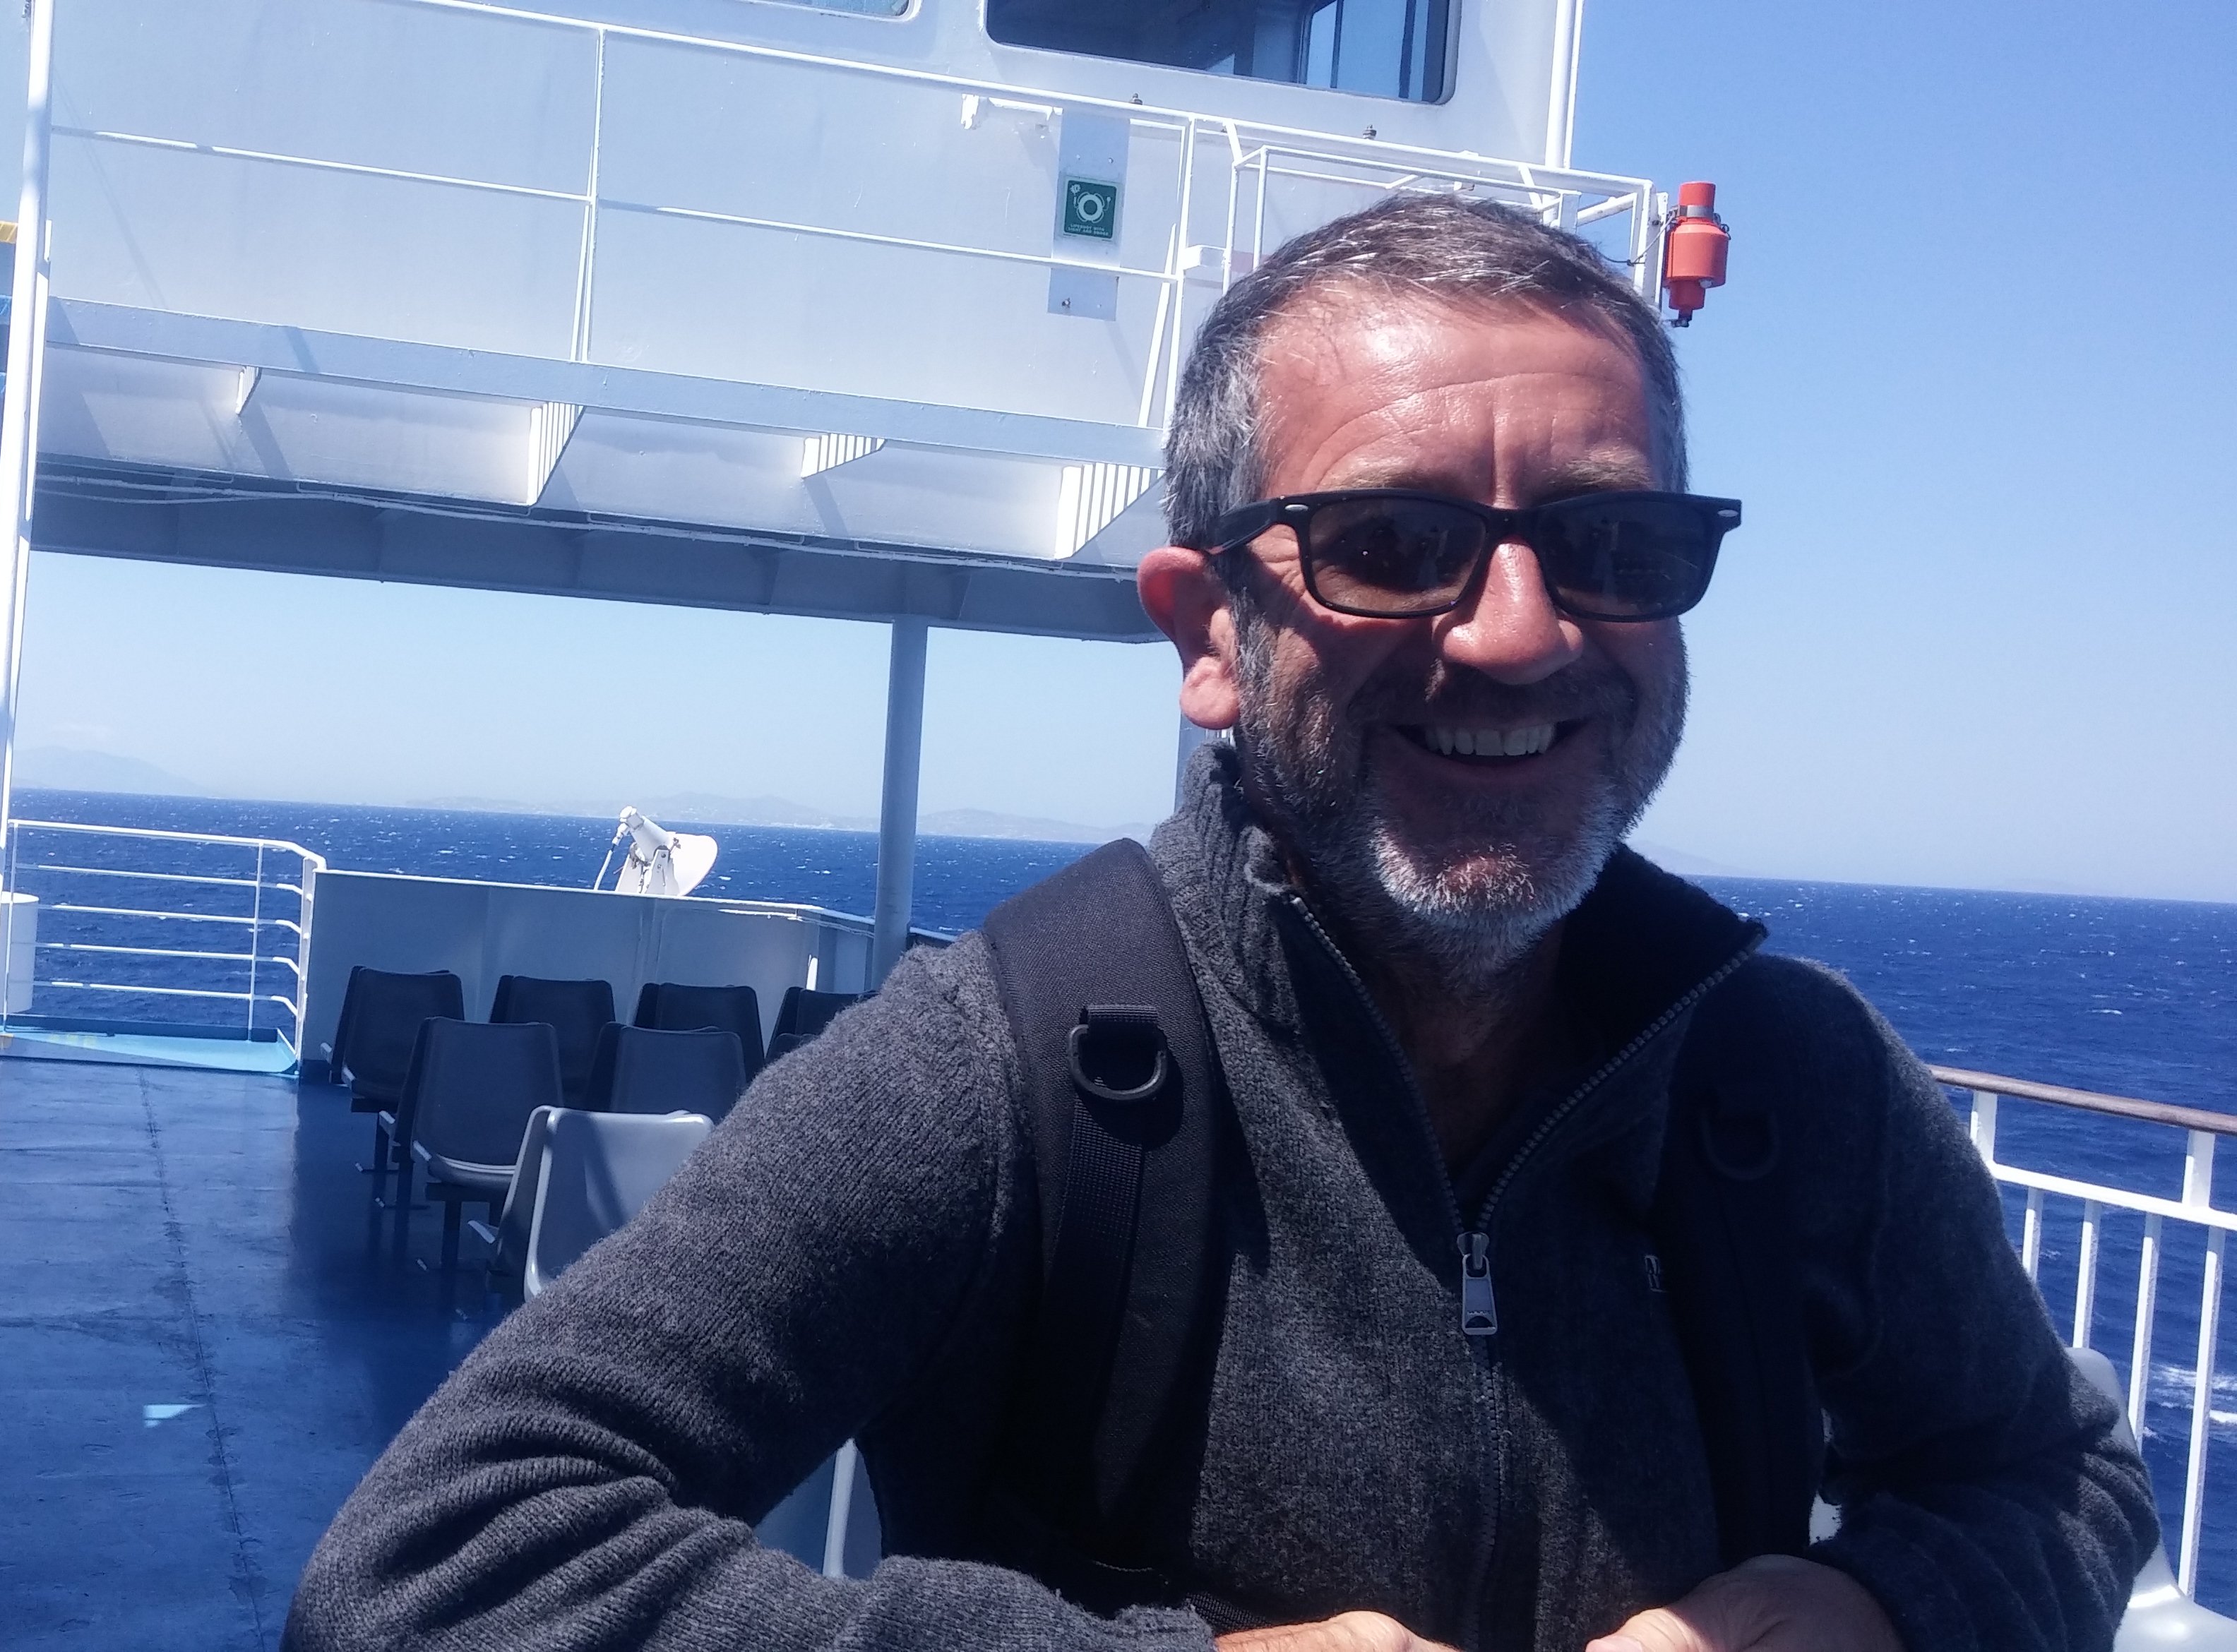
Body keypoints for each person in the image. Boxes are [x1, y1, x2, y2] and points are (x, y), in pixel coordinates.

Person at [282, 196, 2155, 1652]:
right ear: (1208, 636)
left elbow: (2059, 1471)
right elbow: (433, 1569)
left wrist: (1874, 1602)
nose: (1521, 633)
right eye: (1393, 544)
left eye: (1614, 546)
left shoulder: (1787, 1076)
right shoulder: (1014, 1069)